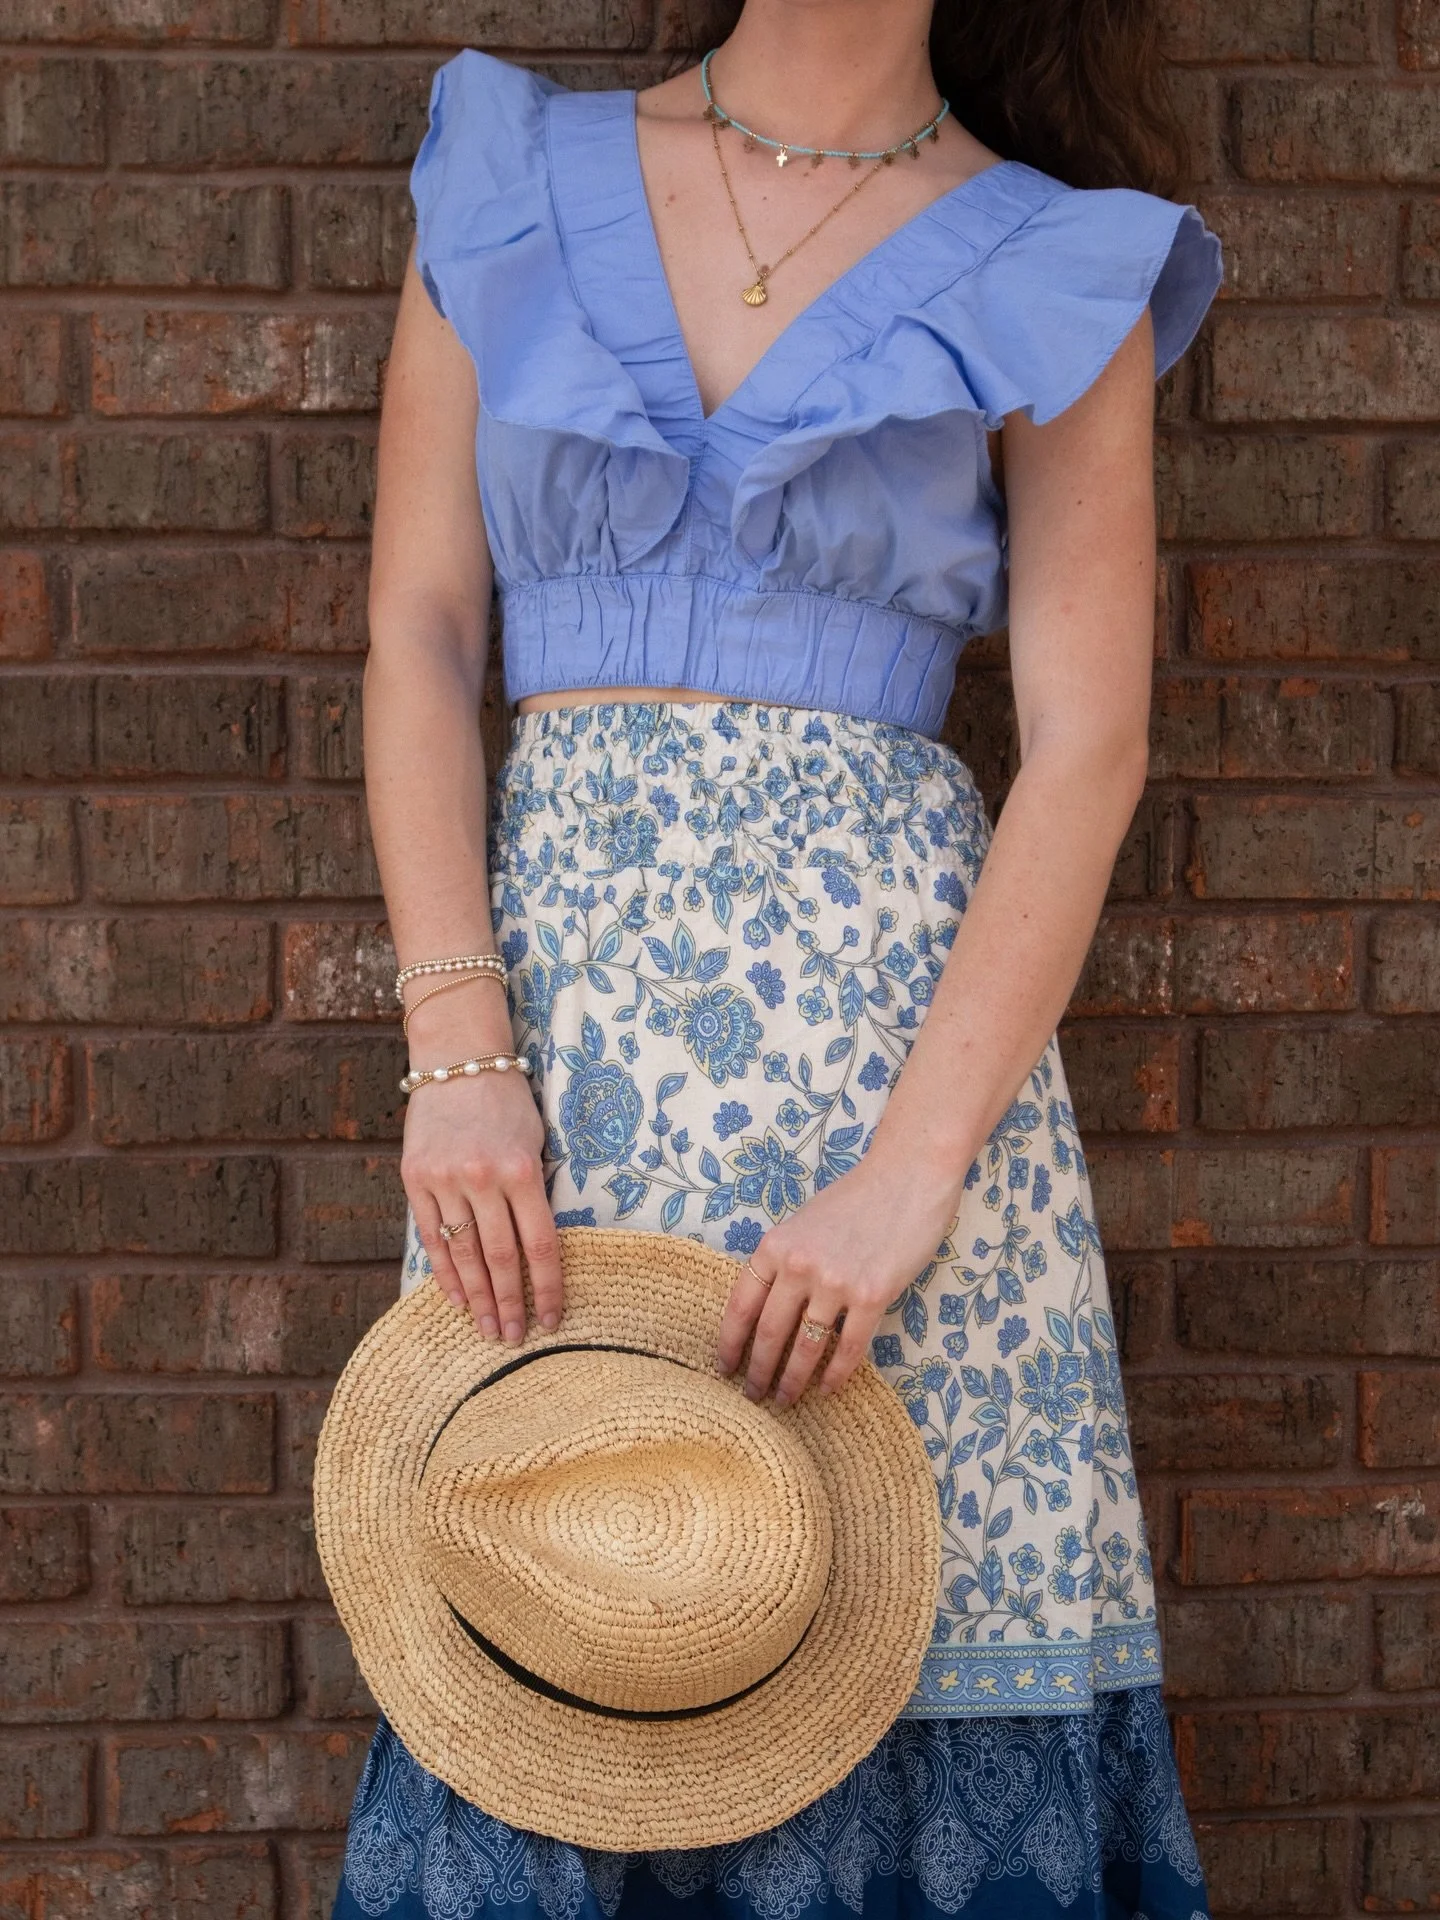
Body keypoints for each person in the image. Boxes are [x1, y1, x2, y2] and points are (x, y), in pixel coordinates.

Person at [331, 0, 1224, 1913]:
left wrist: (908, 1184)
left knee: (872, 1649)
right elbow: (414, 630)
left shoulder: (1054, 256)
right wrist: (457, 1046)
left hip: (899, 1139)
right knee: (560, 1622)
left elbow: (1089, 745)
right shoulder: (509, 175)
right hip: (554, 1112)